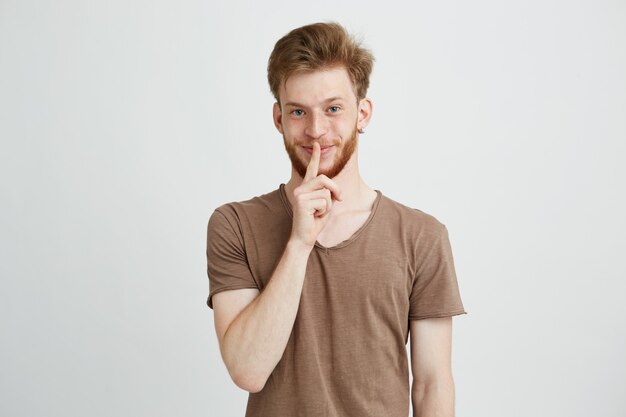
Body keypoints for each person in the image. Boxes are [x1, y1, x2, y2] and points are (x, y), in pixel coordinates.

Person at [205, 22, 467, 417]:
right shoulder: (234, 225)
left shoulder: (421, 236)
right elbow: (248, 370)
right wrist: (299, 242)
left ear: (362, 113)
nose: (316, 131)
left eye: (333, 109)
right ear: (278, 119)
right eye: (298, 112)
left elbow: (432, 385)